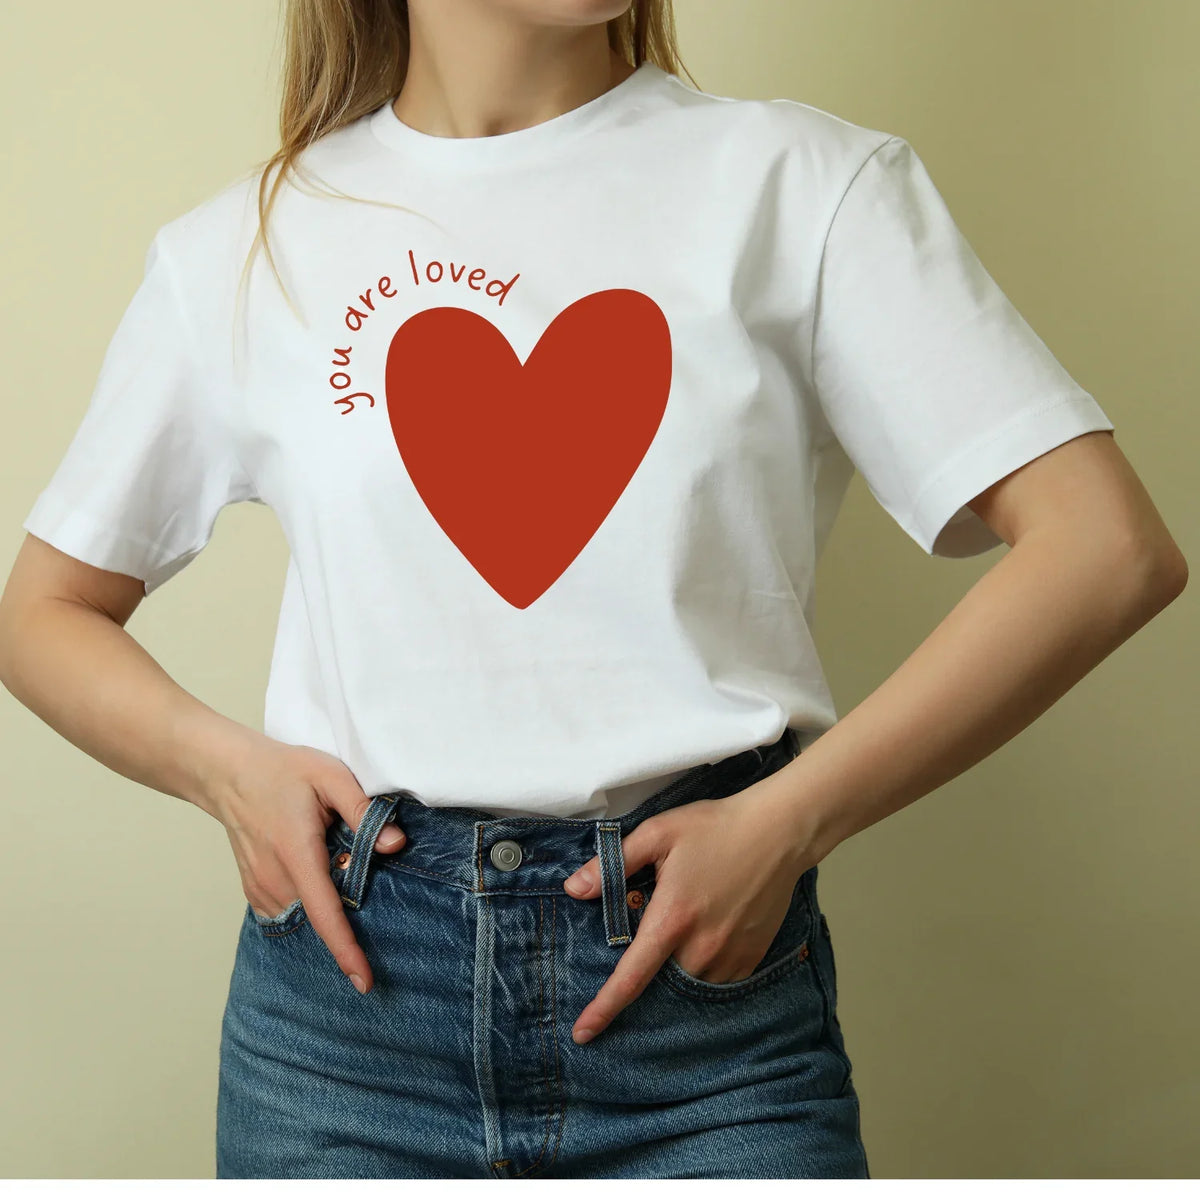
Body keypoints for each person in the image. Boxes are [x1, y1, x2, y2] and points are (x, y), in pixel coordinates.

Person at [0, 0, 1187, 1182]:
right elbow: (42, 615)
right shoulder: (248, 247)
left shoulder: (802, 187)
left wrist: (790, 820)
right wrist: (227, 772)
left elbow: (1105, 548)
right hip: (344, 1030)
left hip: (705, 1026)